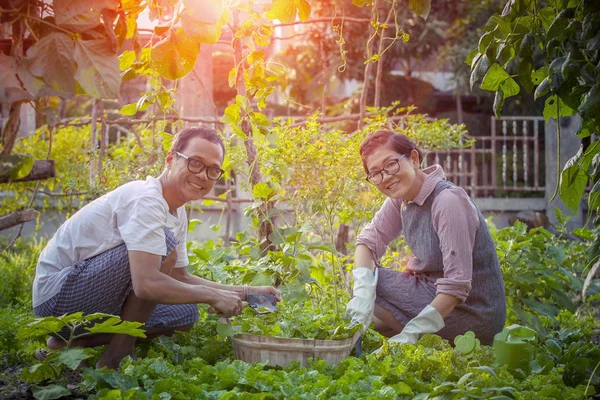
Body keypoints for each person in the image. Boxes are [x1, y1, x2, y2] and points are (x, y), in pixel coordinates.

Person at [32, 127, 280, 369]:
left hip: (86, 301)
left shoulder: (177, 211)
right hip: (58, 298)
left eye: (213, 169)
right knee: (164, 250)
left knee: (185, 314)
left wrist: (246, 292)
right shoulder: (147, 199)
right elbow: (147, 284)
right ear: (171, 159)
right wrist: (213, 296)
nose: (203, 175)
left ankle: (70, 342)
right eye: (195, 162)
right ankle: (115, 358)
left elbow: (179, 276)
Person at [346, 130, 506, 347]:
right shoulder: (401, 198)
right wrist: (362, 296)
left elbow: (456, 287)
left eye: (391, 165)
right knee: (364, 285)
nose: (386, 177)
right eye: (376, 173)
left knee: (376, 288)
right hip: (433, 294)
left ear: (414, 159)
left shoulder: (447, 201)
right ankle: (415, 340)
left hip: (473, 314)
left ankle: (419, 339)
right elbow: (367, 242)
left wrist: (412, 332)